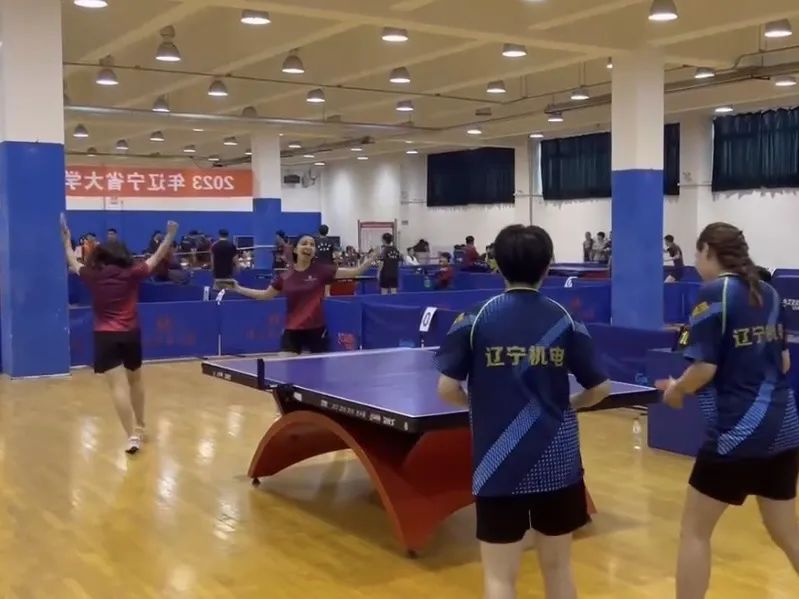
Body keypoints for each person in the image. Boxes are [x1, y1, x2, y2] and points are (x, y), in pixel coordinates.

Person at [435, 224, 610, 599]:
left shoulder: (475, 318)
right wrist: (570, 405)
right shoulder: (565, 319)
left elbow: (447, 388)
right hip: (557, 461)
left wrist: (479, 407)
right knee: (559, 568)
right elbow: (600, 389)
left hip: (497, 463)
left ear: (496, 265)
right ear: (547, 266)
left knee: (500, 578)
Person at [657, 222, 799, 599]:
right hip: (783, 428)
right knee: (788, 533)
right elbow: (784, 363)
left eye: (698, 253)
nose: (696, 262)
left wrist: (677, 389)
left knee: (694, 532)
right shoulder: (769, 293)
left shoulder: (713, 293)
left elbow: (704, 368)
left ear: (708, 251)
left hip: (736, 433)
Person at [61, 214, 179, 455]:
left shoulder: (92, 276)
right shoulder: (132, 273)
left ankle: (131, 436)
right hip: (130, 334)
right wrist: (170, 235)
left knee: (118, 387)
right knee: (135, 380)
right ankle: (141, 425)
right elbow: (156, 257)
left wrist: (65, 239)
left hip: (105, 336)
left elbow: (72, 260)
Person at [234, 235, 375, 355]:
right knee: (285, 370)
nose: (308, 246)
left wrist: (369, 260)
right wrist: (238, 288)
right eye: (304, 243)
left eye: (312, 244)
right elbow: (265, 295)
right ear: (295, 249)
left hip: (317, 330)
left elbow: (355, 272)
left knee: (320, 372)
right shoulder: (285, 276)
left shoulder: (322, 270)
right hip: (292, 330)